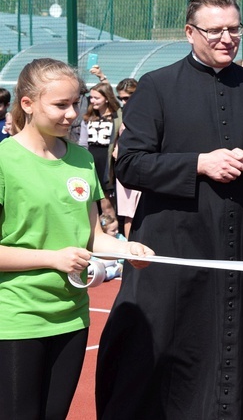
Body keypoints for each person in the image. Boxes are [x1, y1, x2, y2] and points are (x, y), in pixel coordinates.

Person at [95, 0, 243, 419]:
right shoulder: (157, 87)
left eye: (234, 29)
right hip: (177, 243)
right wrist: (198, 164)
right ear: (190, 32)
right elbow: (130, 165)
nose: (227, 39)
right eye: (215, 31)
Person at [0, 58, 151, 420]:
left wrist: (127, 248)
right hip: (16, 317)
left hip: (71, 318)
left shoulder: (82, 160)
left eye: (76, 103)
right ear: (27, 104)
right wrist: (52, 259)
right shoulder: (4, 160)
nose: (72, 114)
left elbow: (93, 237)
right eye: (60, 105)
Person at [84, 82, 121, 216]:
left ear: (106, 98)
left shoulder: (116, 117)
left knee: (107, 202)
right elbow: (83, 142)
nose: (92, 101)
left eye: (96, 98)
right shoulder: (89, 117)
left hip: (107, 159)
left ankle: (111, 229)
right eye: (91, 97)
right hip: (91, 157)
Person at [112, 78, 141, 237]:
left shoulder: (147, 112)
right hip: (126, 167)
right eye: (121, 98)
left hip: (142, 166)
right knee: (129, 213)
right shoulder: (123, 113)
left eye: (127, 98)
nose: (123, 102)